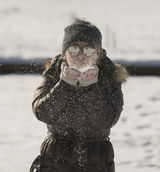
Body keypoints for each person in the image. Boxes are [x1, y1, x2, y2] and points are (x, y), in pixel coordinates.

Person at [32, 19, 127, 172]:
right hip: (55, 158)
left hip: (97, 159)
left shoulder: (110, 76)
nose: (81, 54)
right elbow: (42, 113)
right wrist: (64, 84)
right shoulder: (53, 73)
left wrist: (90, 87)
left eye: (88, 49)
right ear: (65, 53)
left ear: (98, 54)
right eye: (74, 48)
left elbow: (107, 120)